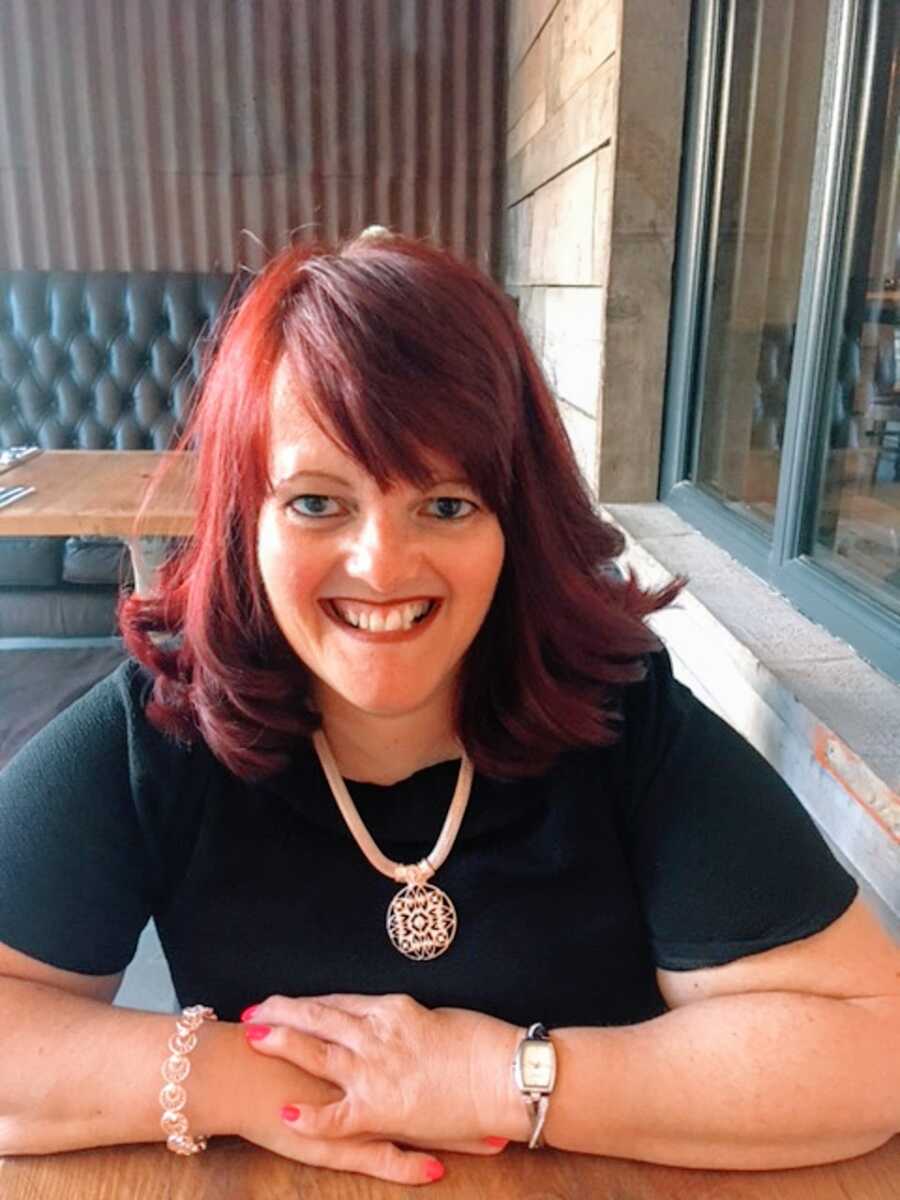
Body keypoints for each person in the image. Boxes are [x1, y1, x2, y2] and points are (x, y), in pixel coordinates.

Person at [0, 230, 897, 1186]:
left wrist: (494, 1079)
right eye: (315, 503)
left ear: (518, 520)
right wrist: (244, 1080)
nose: (382, 565)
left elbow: (871, 1049)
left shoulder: (624, 718)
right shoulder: (163, 725)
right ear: (241, 519)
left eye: (447, 504)